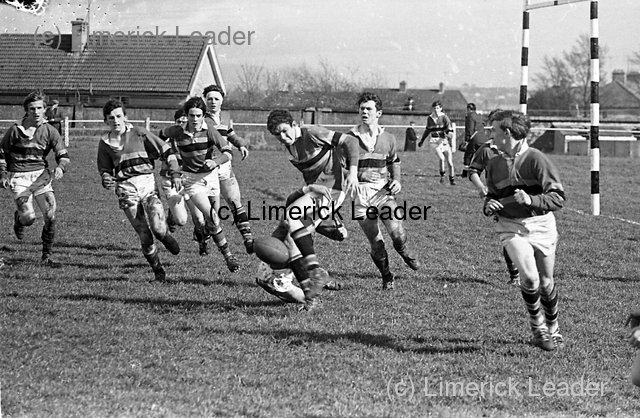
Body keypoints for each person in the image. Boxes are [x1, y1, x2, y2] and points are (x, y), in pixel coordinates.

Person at [482, 110, 565, 351]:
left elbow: (558, 199)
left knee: (547, 282)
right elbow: (491, 196)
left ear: (507, 133)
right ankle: (537, 325)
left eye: (493, 130)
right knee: (530, 277)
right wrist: (489, 205)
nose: (491, 135)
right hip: (510, 225)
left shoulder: (536, 159)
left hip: (541, 224)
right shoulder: (494, 162)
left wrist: (531, 200)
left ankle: (553, 327)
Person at [266, 109, 360, 308]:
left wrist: (351, 172)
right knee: (291, 238)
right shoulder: (291, 146)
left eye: (284, 131)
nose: (282, 137)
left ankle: (315, 270)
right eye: (277, 135)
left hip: (330, 191)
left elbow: (350, 142)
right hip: (316, 192)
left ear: (294, 124)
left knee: (291, 217)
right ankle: (311, 295)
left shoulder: (312, 133)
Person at [97, 99, 181, 281]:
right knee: (144, 233)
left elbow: (166, 151)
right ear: (106, 121)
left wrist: (175, 173)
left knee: (158, 229)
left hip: (147, 184)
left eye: (119, 116)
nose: (116, 121)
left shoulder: (140, 134)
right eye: (111, 118)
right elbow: (104, 170)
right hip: (125, 188)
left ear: (125, 117)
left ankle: (165, 236)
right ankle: (158, 269)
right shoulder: (104, 143)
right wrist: (106, 178)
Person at [348, 92, 421, 290]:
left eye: (369, 108)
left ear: (378, 113)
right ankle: (387, 276)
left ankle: (404, 252)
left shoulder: (388, 138)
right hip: (361, 198)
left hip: (383, 194)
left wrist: (397, 180)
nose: (364, 111)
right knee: (377, 243)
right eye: (362, 108)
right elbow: (340, 168)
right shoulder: (349, 138)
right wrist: (359, 176)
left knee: (397, 233)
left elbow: (394, 162)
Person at [160, 97, 240, 272]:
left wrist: (216, 162)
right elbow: (159, 136)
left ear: (203, 115)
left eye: (198, 115)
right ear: (186, 115)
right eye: (191, 115)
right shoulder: (177, 131)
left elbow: (227, 152)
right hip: (191, 180)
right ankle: (229, 257)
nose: (195, 119)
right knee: (211, 216)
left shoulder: (210, 130)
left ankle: (202, 238)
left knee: (212, 222)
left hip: (211, 178)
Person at [0, 91, 70, 265]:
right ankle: (19, 219)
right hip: (19, 177)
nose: (36, 112)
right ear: (26, 110)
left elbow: (63, 155)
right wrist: (3, 173)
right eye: (32, 109)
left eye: (39, 108)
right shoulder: (16, 130)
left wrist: (60, 167)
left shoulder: (50, 130)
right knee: (29, 218)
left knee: (51, 214)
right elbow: (1, 153)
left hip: (40, 176)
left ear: (45, 109)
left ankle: (47, 257)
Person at [467, 115, 521, 287]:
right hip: (499, 200)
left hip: (522, 197)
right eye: (492, 128)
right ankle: (515, 275)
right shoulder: (486, 150)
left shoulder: (519, 148)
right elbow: (473, 171)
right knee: (510, 238)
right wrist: (482, 188)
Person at [202, 85, 254, 254]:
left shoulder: (222, 122)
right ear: (205, 100)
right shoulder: (201, 121)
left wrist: (241, 145)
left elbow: (231, 134)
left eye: (216, 98)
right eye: (209, 98)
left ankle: (248, 239)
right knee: (212, 213)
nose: (213, 102)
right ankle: (202, 239)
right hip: (208, 171)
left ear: (222, 101)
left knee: (235, 202)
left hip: (224, 169)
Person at [159, 109, 190, 235]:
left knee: (201, 215)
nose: (181, 124)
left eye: (184, 121)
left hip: (190, 178)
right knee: (181, 220)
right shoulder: (166, 139)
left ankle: (202, 239)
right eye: (178, 121)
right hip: (170, 179)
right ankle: (172, 219)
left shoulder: (192, 138)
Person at [418, 100, 456, 185]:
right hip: (434, 141)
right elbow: (427, 130)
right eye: (434, 108)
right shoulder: (430, 118)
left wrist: (447, 137)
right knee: (442, 158)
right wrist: (422, 140)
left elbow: (450, 131)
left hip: (443, 141)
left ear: (441, 108)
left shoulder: (444, 117)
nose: (436, 109)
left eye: (438, 108)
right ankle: (442, 175)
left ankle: (452, 180)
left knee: (450, 162)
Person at [462, 103, 486, 178]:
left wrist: (467, 140)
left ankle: (465, 173)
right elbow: (483, 124)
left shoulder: (470, 116)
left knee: (468, 155)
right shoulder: (479, 116)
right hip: (483, 138)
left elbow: (470, 128)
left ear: (469, 109)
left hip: (474, 138)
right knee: (481, 156)